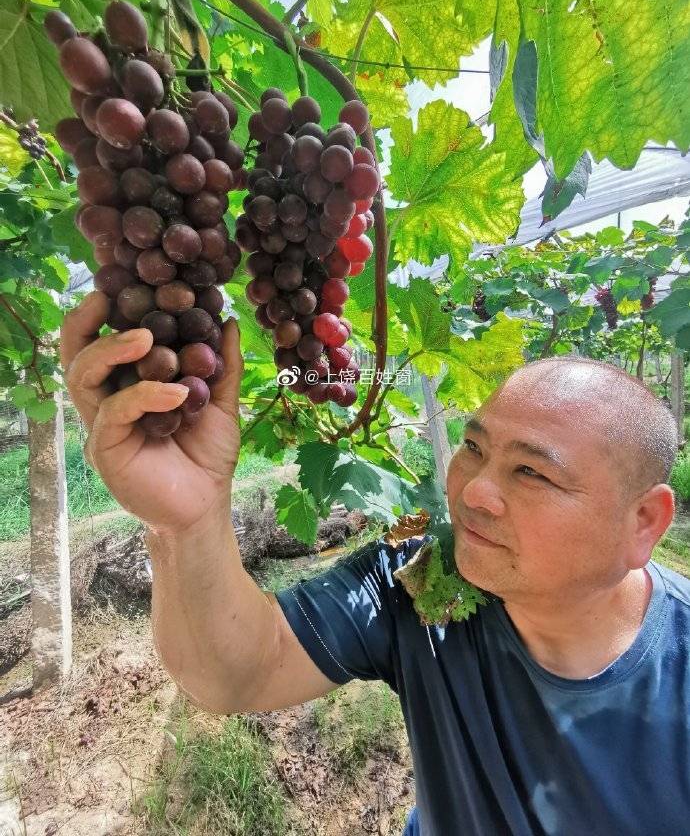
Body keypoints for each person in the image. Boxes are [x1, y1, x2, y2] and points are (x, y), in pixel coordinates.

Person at [61, 292, 690, 836]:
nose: (472, 491)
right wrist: (188, 522)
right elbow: (237, 675)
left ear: (644, 522)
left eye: (532, 471)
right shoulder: (418, 578)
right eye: (473, 448)